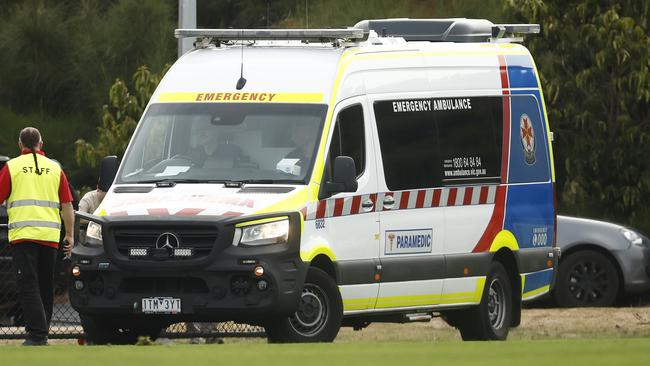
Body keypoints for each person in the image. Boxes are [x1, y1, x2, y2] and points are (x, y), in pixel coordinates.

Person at [0, 127, 74, 346]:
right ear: (41, 143)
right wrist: (69, 234)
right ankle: (42, 332)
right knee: (44, 285)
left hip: (23, 236)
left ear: (19, 144)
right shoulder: (55, 168)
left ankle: (37, 335)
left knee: (27, 284)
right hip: (50, 236)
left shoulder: (11, 167)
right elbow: (67, 205)